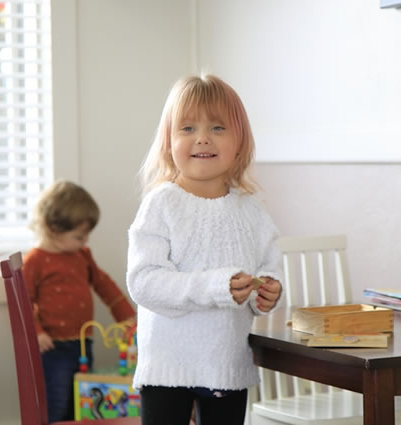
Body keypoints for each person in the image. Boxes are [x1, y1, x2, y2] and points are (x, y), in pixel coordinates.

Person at [126, 74, 283, 425]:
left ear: (239, 143)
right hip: (167, 367)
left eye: (217, 127)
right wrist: (215, 287)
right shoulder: (161, 204)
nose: (202, 138)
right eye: (187, 128)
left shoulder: (252, 211)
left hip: (226, 364)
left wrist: (269, 291)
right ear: (168, 143)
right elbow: (144, 282)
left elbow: (269, 269)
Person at [23, 180, 135, 423]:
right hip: (53, 347)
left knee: (80, 399)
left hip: (82, 343)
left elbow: (104, 285)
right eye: (78, 237)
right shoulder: (35, 261)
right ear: (53, 229)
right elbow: (25, 303)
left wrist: (126, 316)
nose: (84, 242)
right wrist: (37, 332)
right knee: (58, 400)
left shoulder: (81, 255)